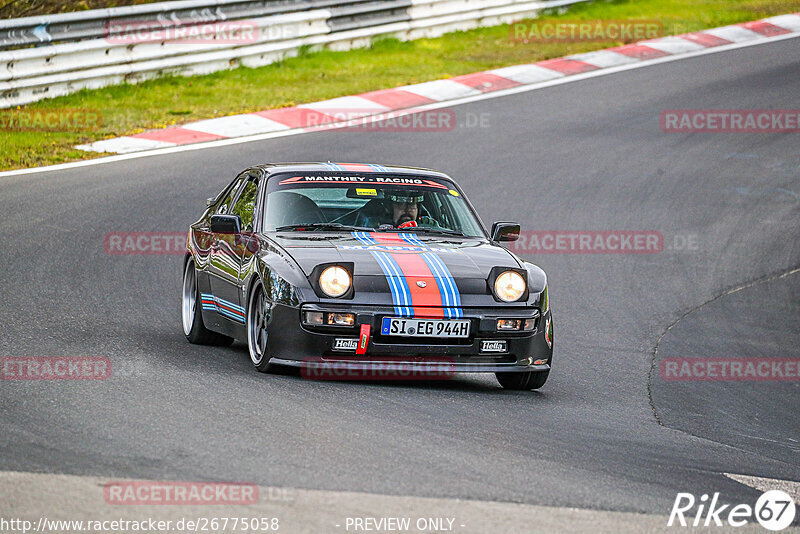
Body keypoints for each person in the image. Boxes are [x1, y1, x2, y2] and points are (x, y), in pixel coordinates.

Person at [357, 192, 438, 228]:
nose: (407, 209)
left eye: (412, 205)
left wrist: (432, 229)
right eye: (401, 204)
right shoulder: (370, 229)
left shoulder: (430, 229)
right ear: (389, 208)